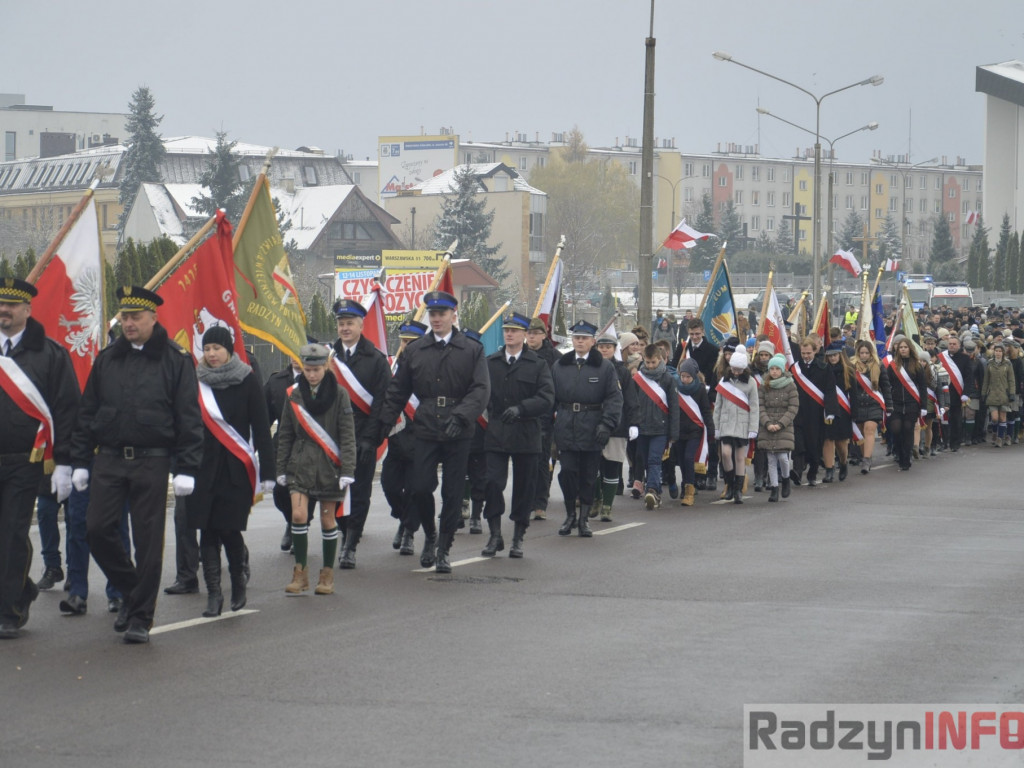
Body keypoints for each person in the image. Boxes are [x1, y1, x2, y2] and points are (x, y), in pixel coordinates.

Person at [71, 286, 203, 644]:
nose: (128, 323)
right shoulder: (108, 358)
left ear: (153, 318)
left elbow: (189, 418)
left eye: (136, 317)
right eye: (125, 317)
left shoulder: (175, 359)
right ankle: (133, 590)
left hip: (152, 461)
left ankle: (141, 617)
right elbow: (88, 412)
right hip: (110, 458)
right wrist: (80, 461)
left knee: (147, 541)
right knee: (96, 528)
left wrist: (187, 467)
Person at [377, 290, 490, 573]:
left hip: (458, 428)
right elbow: (397, 391)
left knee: (452, 492)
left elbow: (480, 389)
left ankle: (443, 549)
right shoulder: (416, 350)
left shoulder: (471, 349)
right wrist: (380, 427)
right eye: (433, 314)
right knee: (419, 487)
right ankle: (430, 533)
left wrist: (463, 416)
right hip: (426, 426)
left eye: (442, 314)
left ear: (454, 315)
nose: (437, 318)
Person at [0, 278, 79, 639]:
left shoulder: (49, 354)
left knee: (13, 533)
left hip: (26, 460)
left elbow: (66, 409)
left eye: (12, 305)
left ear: (27, 310)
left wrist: (64, 461)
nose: (4, 310)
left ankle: (10, 611)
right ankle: (22, 589)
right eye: (1, 305)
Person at [188, 326, 276, 617]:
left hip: (236, 469)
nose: (212, 354)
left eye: (217, 348)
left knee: (229, 530)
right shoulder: (195, 381)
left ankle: (238, 582)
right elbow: (185, 426)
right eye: (208, 348)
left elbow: (262, 428)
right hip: (203, 468)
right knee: (207, 530)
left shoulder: (247, 381)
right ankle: (214, 593)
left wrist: (268, 474)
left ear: (229, 350)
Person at [276, 343, 357, 595]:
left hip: (329, 466)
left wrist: (348, 470)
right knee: (298, 516)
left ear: (326, 367)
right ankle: (300, 574)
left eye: (316, 369)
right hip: (300, 465)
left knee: (326, 519)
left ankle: (327, 575)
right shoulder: (294, 394)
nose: (311, 374)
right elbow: (285, 433)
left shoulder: (340, 393)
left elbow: (347, 434)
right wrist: (280, 467)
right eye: (307, 369)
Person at [481, 312, 554, 558]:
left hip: (526, 433)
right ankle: (494, 534)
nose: (509, 334)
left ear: (524, 334)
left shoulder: (537, 364)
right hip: (497, 433)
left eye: (514, 330)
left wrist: (522, 408)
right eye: (506, 330)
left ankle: (518, 537)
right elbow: (480, 393)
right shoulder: (491, 363)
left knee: (524, 488)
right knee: (492, 483)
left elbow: (546, 398)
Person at [329, 299, 392, 569]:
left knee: (360, 491)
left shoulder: (376, 360)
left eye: (350, 323)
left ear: (361, 325)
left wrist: (371, 438)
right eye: (341, 323)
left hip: (362, 434)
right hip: (331, 436)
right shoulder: (328, 357)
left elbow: (382, 401)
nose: (345, 328)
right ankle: (344, 529)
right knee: (334, 489)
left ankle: (350, 545)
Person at [551, 320, 622, 536]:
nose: (580, 341)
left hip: (592, 427)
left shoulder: (604, 367)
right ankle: (570, 513)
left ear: (593, 341)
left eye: (584, 338)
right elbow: (549, 397)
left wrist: (606, 424)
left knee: (589, 476)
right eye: (576, 338)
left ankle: (583, 520)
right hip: (566, 426)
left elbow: (614, 398)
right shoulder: (560, 366)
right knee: (568, 473)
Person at [380, 319, 429, 556]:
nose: (406, 346)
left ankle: (409, 532)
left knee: (414, 490)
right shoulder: (391, 368)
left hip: (421, 439)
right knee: (389, 486)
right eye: (404, 341)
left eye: (412, 342)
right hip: (397, 440)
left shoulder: (430, 368)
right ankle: (403, 518)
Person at [593, 332, 636, 521]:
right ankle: (596, 498)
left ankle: (607, 507)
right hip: (592, 425)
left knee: (611, 467)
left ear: (615, 349)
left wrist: (634, 423)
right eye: (601, 347)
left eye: (608, 347)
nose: (604, 350)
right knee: (592, 467)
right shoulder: (589, 368)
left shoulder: (623, 372)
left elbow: (630, 400)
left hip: (617, 426)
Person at [265, 356, 305, 551]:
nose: (296, 357)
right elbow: (264, 417)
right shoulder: (276, 381)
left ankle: (299, 528)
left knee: (306, 493)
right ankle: (291, 521)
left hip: (310, 447)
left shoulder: (322, 380)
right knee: (280, 492)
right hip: (282, 447)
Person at [633, 343, 679, 510]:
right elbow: (633, 403)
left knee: (654, 459)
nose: (650, 366)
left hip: (661, 429)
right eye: (648, 362)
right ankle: (654, 490)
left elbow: (674, 407)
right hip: (642, 427)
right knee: (645, 460)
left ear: (660, 360)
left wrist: (674, 433)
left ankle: (652, 490)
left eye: (653, 362)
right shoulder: (638, 379)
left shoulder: (668, 379)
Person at [714, 347, 759, 504]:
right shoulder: (724, 381)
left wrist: (753, 428)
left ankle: (738, 490)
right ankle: (730, 485)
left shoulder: (751, 382)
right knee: (726, 454)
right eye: (734, 369)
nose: (736, 372)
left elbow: (754, 407)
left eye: (739, 370)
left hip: (742, 424)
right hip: (726, 423)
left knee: (740, 457)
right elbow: (718, 406)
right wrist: (717, 426)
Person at [526, 317, 561, 521]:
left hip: (546, 417)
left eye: (535, 333)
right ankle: (526, 500)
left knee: (541, 461)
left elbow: (558, 387)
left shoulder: (555, 358)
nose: (531, 336)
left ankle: (540, 502)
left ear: (544, 334)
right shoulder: (519, 354)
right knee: (524, 462)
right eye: (529, 333)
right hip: (523, 415)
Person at [790, 335, 837, 487]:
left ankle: (812, 473)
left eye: (808, 353)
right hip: (798, 411)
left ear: (815, 351)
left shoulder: (824, 368)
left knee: (814, 443)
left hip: (816, 412)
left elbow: (830, 391)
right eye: (803, 353)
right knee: (798, 442)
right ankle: (797, 470)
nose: (806, 356)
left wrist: (830, 410)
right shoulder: (795, 369)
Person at [757, 354, 799, 502]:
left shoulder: (790, 385)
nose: (774, 372)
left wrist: (781, 423)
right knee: (771, 459)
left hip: (784, 426)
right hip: (767, 425)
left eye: (777, 369)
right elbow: (760, 406)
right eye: (772, 369)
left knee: (782, 457)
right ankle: (774, 488)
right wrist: (767, 422)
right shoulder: (764, 385)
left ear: (782, 370)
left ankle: (786, 478)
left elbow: (793, 407)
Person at [674, 358, 713, 507]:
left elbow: (705, 411)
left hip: (694, 431)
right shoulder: (675, 387)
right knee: (682, 460)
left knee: (689, 458)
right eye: (682, 376)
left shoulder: (700, 389)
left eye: (687, 377)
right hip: (679, 431)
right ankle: (685, 483)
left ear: (694, 376)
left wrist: (710, 429)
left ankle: (690, 490)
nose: (684, 379)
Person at [886, 336, 929, 472]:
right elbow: (887, 385)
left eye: (905, 347)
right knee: (896, 429)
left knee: (908, 429)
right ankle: (899, 453)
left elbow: (922, 387)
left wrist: (923, 406)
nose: (903, 349)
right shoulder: (892, 366)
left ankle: (907, 457)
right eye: (901, 347)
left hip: (912, 403)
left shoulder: (916, 365)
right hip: (896, 403)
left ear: (910, 349)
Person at [852, 340, 893, 474]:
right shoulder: (852, 366)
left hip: (873, 403)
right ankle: (864, 455)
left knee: (869, 430)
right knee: (861, 433)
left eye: (866, 353)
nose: (864, 355)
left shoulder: (878, 366)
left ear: (871, 353)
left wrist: (889, 405)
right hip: (857, 404)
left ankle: (866, 459)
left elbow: (886, 386)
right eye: (861, 353)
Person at [822, 342, 855, 482]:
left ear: (840, 355)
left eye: (835, 355)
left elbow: (854, 394)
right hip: (827, 409)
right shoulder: (823, 370)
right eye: (829, 356)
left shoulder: (849, 371)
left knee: (841, 443)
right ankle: (829, 470)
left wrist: (855, 414)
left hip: (843, 410)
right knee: (828, 439)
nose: (832, 358)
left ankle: (843, 463)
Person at [982, 341, 1015, 447]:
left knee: (1002, 417)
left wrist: (1012, 393)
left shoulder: (1007, 364)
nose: (998, 353)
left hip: (1004, 393)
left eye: (1000, 351)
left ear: (1003, 352)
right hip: (992, 394)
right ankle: (995, 432)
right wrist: (984, 393)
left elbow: (1011, 380)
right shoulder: (989, 363)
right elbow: (986, 380)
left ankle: (1000, 438)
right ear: (994, 352)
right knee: (995, 418)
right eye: (996, 351)